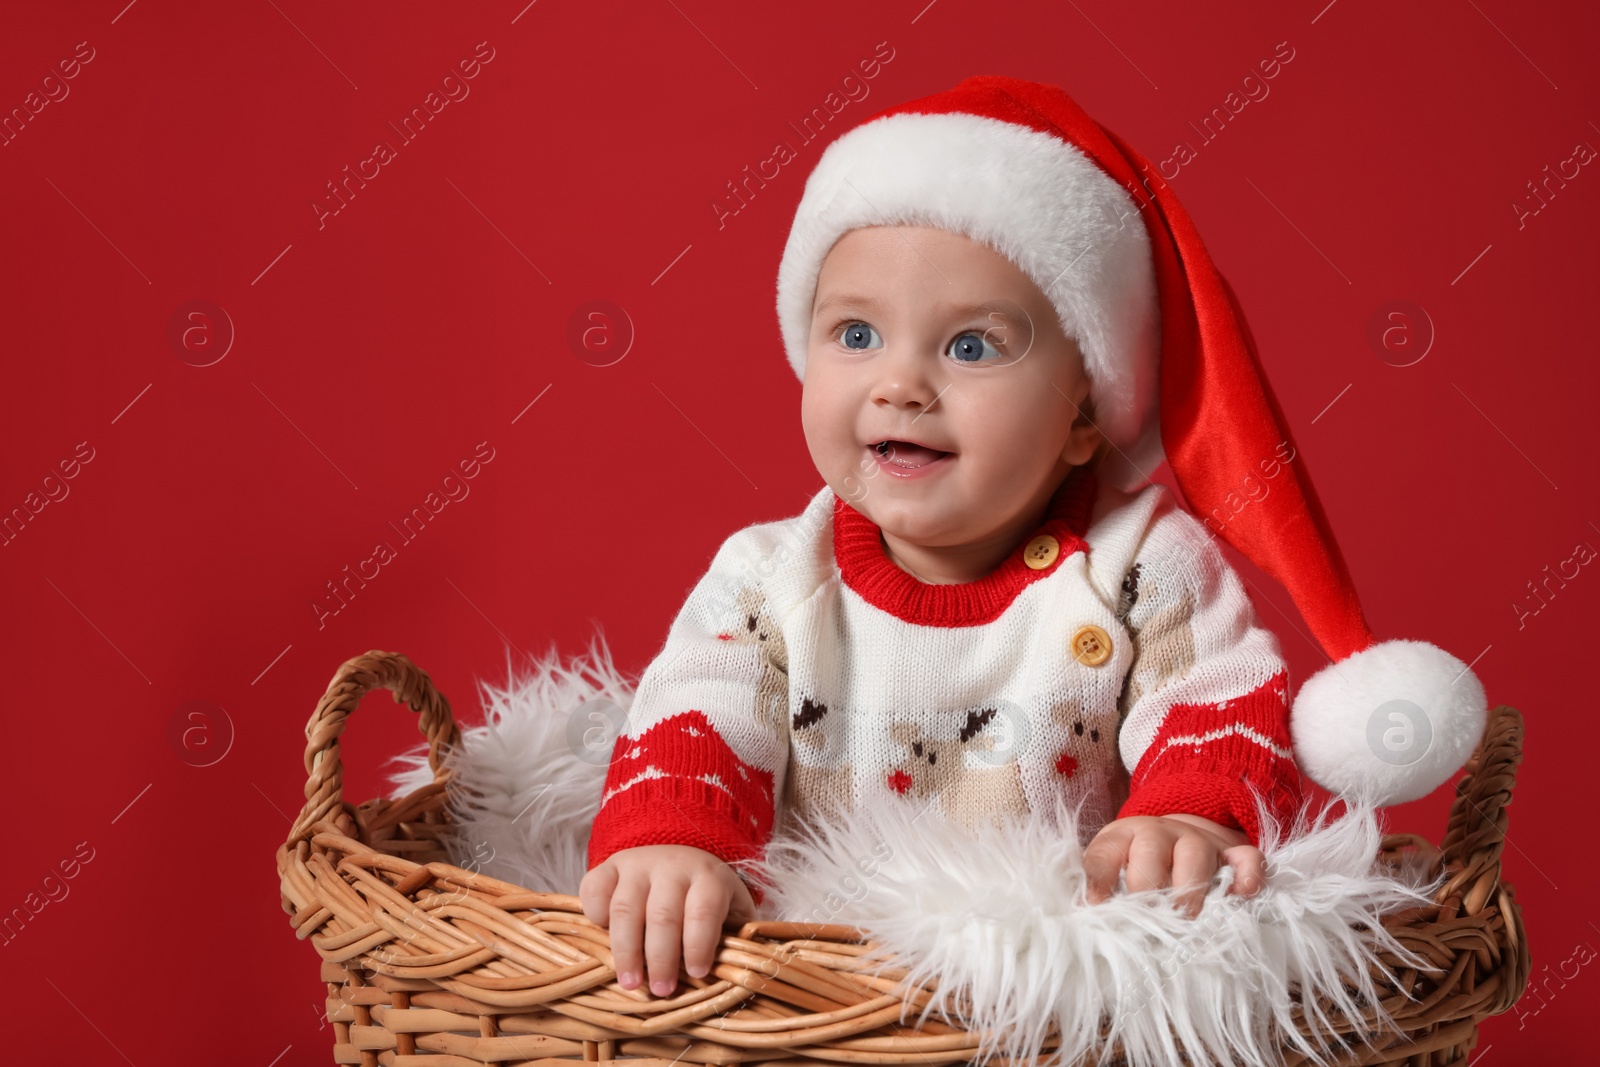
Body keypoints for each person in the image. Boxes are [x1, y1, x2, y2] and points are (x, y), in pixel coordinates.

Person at [577, 75, 1488, 1002]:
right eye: (855, 333)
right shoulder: (771, 577)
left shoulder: (1140, 566)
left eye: (971, 347)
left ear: (1083, 417)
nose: (899, 384)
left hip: (1058, 996)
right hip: (813, 993)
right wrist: (676, 840)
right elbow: (698, 712)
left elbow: (1213, 703)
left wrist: (1187, 818)